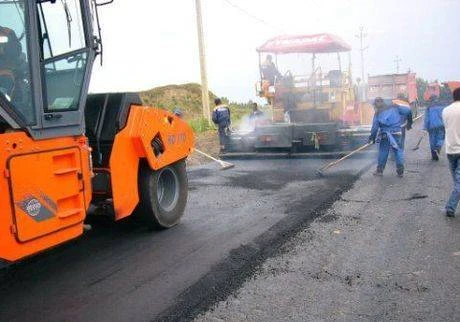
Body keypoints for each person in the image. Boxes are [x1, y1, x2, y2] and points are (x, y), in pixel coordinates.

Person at [369, 97, 413, 177]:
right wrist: (410, 122)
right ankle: (400, 170)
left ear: (376, 105)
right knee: (398, 150)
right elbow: (408, 111)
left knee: (383, 151)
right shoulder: (395, 107)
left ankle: (379, 171)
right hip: (397, 132)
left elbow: (375, 127)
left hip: (385, 134)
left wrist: (372, 137)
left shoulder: (378, 113)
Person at [441, 88, 460, 217]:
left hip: (450, 150)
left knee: (457, 182)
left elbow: (446, 128)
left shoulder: (446, 110)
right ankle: (450, 207)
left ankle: (451, 206)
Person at [424, 95, 446, 161]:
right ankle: (438, 146)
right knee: (441, 137)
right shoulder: (443, 106)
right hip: (441, 125)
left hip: (432, 126)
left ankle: (434, 155)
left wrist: (425, 127)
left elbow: (427, 119)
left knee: (432, 140)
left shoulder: (429, 107)